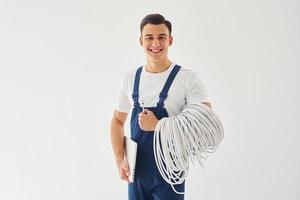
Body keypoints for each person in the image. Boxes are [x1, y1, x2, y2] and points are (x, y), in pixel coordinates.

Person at [110, 13, 212, 200]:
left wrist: (158, 125)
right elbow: (117, 121)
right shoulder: (131, 78)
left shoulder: (187, 78)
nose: (155, 44)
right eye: (149, 38)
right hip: (137, 173)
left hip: (170, 173)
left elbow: (206, 122)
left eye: (161, 37)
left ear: (170, 40)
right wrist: (120, 161)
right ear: (141, 41)